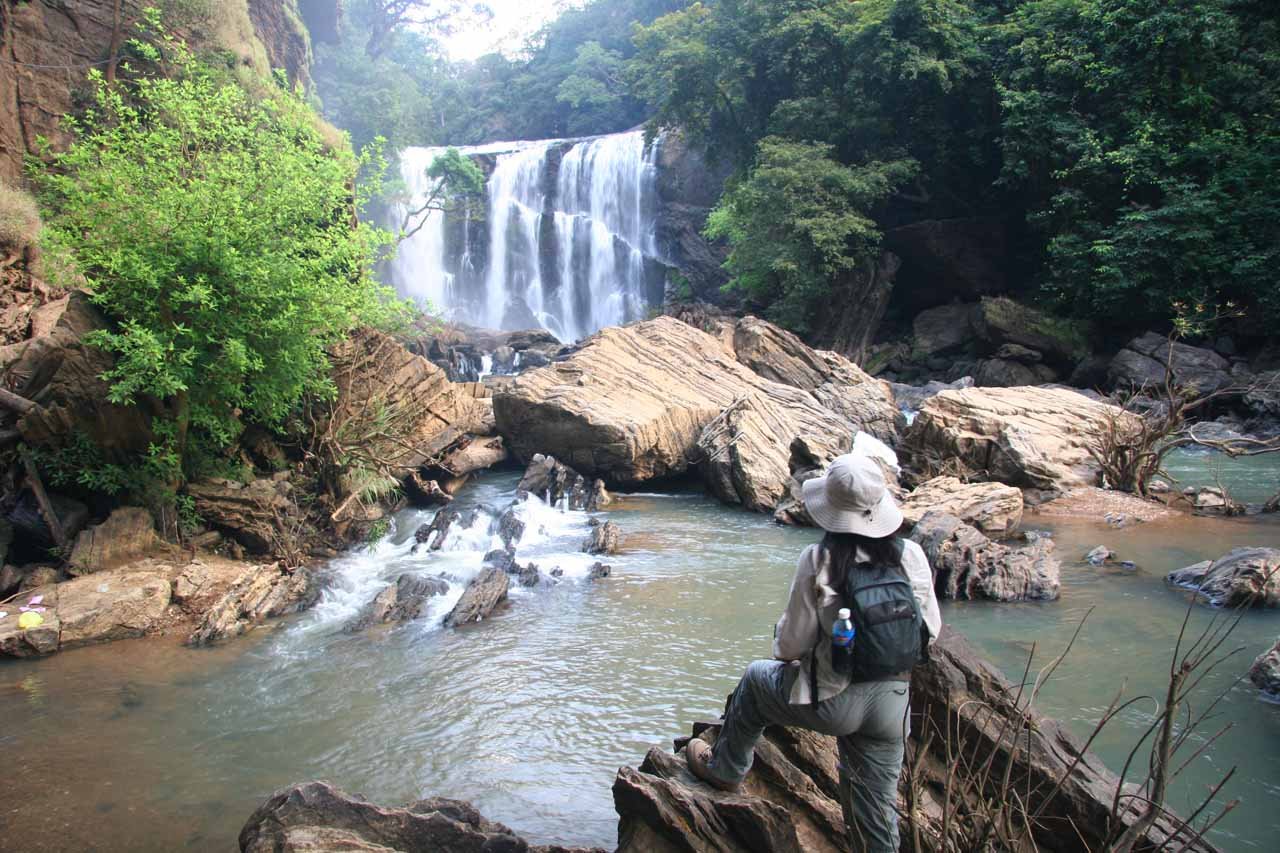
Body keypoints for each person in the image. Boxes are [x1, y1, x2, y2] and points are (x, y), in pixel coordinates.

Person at [685, 451, 942, 852]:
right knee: (876, 815)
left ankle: (725, 769)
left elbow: (791, 646)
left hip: (833, 701)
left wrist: (798, 648)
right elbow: (931, 632)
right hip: (894, 705)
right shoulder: (910, 554)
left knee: (756, 678)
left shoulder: (819, 559)